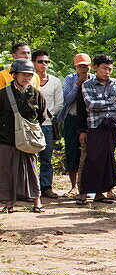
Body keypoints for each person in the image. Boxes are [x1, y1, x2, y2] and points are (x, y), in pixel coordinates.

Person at [76, 54, 116, 205]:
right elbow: (90, 104)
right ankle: (83, 192)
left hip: (112, 126)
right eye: (104, 68)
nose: (107, 71)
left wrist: (102, 104)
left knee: (108, 159)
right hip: (95, 126)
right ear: (96, 68)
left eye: (110, 69)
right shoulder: (87, 84)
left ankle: (101, 192)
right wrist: (110, 102)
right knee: (93, 158)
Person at [0, 59, 46, 213]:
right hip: (6, 139)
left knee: (32, 170)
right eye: (23, 74)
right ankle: (9, 203)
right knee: (7, 171)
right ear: (14, 75)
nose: (27, 78)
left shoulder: (36, 94)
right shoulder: (3, 93)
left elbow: (42, 116)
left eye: (29, 75)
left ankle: (37, 201)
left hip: (29, 140)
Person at [59, 53, 92, 196]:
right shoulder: (69, 79)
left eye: (86, 66)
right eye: (81, 66)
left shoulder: (96, 79)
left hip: (91, 119)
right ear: (76, 67)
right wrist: (77, 84)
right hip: (72, 118)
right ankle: (74, 186)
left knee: (90, 153)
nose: (84, 69)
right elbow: (67, 99)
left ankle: (87, 184)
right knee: (72, 151)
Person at [32, 50, 63, 198]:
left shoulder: (55, 81)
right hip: (30, 125)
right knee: (30, 158)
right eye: (40, 61)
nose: (44, 64)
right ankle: (31, 187)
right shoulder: (29, 79)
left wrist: (46, 115)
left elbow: (59, 104)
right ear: (33, 63)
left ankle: (46, 187)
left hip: (48, 124)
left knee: (46, 158)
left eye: (46, 61)